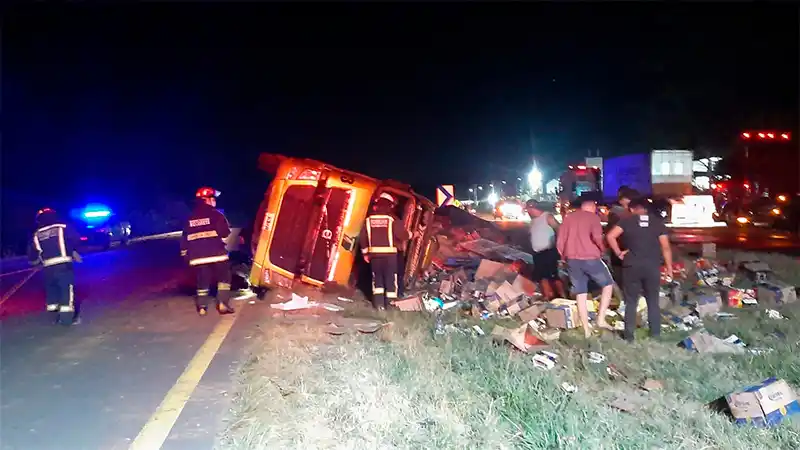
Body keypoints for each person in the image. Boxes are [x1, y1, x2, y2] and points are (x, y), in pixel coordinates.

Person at [606, 197, 673, 342]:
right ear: (646, 209)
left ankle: (629, 336)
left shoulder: (626, 221)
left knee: (631, 301)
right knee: (653, 300)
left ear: (632, 209)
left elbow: (610, 236)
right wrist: (669, 268)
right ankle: (655, 333)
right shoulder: (657, 223)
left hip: (631, 266)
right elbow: (666, 247)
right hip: (652, 266)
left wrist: (618, 253)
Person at [556, 198, 615, 338]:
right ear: (592, 208)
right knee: (608, 284)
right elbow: (597, 238)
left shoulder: (568, 218)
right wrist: (602, 250)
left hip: (572, 259)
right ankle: (600, 319)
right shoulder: (593, 218)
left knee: (580, 292)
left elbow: (560, 241)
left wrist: (564, 257)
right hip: (590, 258)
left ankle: (586, 328)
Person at [181, 187, 235, 316]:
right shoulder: (216, 214)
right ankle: (223, 303)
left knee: (202, 280)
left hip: (197, 257)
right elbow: (225, 233)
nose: (214, 201)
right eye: (213, 199)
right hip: (217, 254)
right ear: (207, 200)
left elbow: (184, 238)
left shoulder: (190, 218)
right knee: (224, 277)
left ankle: (202, 307)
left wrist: (184, 254)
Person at [27, 208, 83, 325]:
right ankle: (68, 320)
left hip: (48, 269)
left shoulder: (37, 234)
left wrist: (35, 263)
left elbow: (33, 253)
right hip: (63, 265)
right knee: (66, 291)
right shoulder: (62, 227)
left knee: (52, 292)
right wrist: (72, 251)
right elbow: (76, 239)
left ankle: (54, 318)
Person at [359, 193, 410, 310]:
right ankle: (391, 304)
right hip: (390, 256)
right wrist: (410, 234)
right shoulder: (392, 219)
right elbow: (403, 235)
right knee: (391, 279)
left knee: (377, 280)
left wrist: (365, 254)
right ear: (390, 206)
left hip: (374, 256)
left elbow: (363, 237)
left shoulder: (368, 220)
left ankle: (379, 305)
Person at [525, 199, 565, 299]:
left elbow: (559, 229)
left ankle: (563, 296)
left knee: (553, 276)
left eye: (528, 210)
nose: (528, 212)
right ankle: (548, 296)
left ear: (532, 208)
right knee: (541, 276)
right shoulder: (533, 221)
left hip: (549, 251)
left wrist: (558, 244)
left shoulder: (547, 217)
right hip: (537, 253)